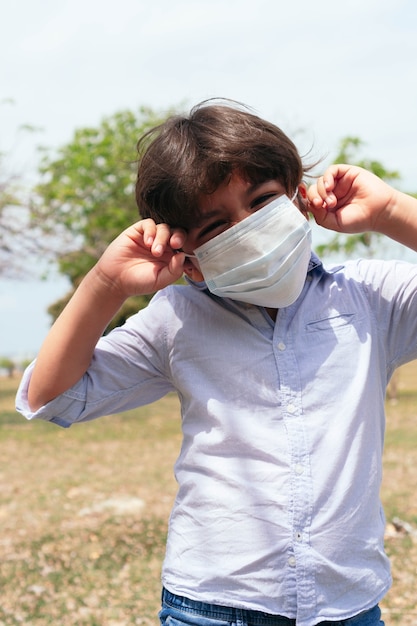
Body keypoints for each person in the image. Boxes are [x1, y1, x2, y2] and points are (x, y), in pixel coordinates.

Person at [16, 100, 417, 626]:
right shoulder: (175, 319)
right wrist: (106, 285)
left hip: (348, 606)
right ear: (191, 262)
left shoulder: (369, 298)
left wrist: (392, 212)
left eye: (263, 200)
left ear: (300, 199)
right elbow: (52, 394)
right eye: (215, 225)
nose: (248, 228)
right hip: (212, 607)